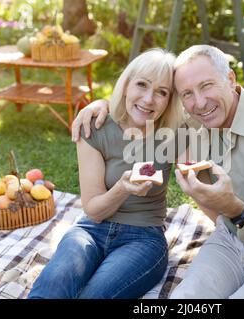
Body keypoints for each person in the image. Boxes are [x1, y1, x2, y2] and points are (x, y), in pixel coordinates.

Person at [71, 45, 244, 299]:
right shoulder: (195, 119)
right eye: (187, 94)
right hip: (231, 239)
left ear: (230, 79)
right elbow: (145, 104)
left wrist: (237, 210)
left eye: (206, 86)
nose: (200, 103)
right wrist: (101, 104)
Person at [28, 48, 183, 299]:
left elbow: (208, 112)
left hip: (143, 239)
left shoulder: (174, 132)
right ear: (126, 85)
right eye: (141, 85)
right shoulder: (95, 127)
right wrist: (122, 189)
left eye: (161, 92)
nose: (148, 99)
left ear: (169, 100)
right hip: (90, 229)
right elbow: (94, 210)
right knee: (52, 287)